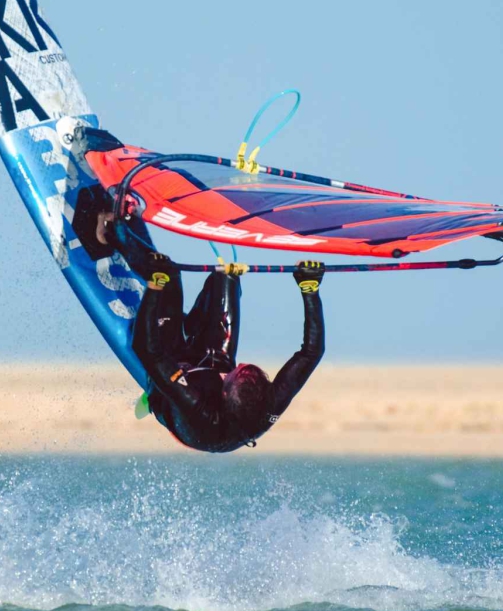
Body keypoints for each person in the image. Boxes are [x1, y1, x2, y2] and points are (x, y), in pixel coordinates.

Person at [69, 123, 326, 452]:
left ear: (223, 392)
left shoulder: (197, 407)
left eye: (229, 377)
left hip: (174, 372)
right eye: (237, 370)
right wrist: (309, 290)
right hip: (210, 360)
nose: (228, 373)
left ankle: (111, 229)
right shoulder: (271, 405)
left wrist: (155, 286)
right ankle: (163, 270)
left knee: (170, 277)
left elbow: (148, 351)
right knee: (227, 278)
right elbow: (310, 353)